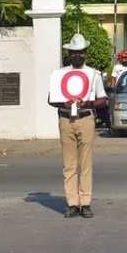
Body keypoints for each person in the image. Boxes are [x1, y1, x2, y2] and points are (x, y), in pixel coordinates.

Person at [49, 33, 108, 219]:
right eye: (74, 52)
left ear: (86, 53)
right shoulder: (60, 75)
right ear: (68, 53)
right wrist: (63, 104)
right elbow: (51, 99)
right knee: (69, 164)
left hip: (85, 118)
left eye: (80, 52)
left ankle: (86, 202)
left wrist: (88, 104)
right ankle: (72, 203)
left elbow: (103, 100)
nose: (77, 55)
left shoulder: (93, 74)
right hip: (66, 119)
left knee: (85, 164)